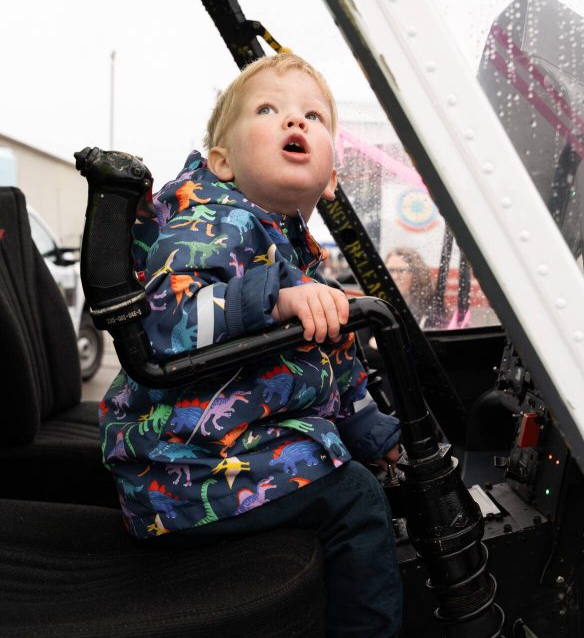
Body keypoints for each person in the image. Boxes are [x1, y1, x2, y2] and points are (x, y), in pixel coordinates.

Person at [100, 53, 403, 637]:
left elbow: (336, 371)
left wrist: (383, 441)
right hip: (180, 469)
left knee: (366, 469)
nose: (296, 123)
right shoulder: (210, 224)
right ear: (223, 162)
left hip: (224, 448)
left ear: (332, 175)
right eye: (269, 110)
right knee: (357, 501)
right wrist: (273, 297)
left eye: (313, 116)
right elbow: (167, 327)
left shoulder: (295, 252)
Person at [385, 246, 441, 327]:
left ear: (416, 275)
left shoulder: (431, 311)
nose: (395, 277)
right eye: (390, 270)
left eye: (402, 271)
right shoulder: (379, 304)